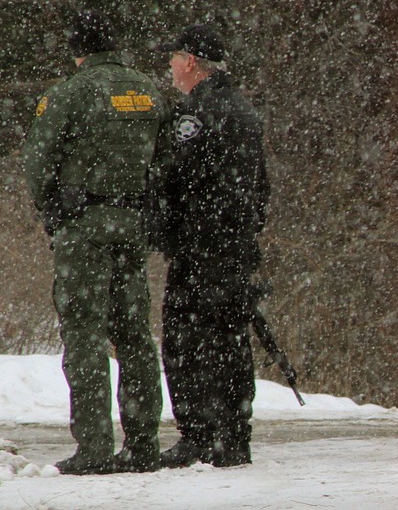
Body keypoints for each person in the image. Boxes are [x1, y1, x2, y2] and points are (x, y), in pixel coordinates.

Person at [21, 10, 166, 475]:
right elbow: (166, 159)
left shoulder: (67, 94)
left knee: (84, 334)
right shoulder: (148, 92)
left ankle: (95, 447)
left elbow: (38, 160)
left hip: (84, 226)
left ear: (79, 52)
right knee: (135, 333)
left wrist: (51, 209)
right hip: (132, 222)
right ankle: (143, 444)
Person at [150, 23, 270, 468]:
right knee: (231, 341)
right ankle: (235, 436)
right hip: (235, 249)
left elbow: (175, 181)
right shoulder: (244, 111)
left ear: (192, 63)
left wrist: (166, 231)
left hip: (200, 251)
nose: (170, 67)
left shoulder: (194, 115)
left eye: (173, 59)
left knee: (187, 342)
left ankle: (198, 436)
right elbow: (261, 190)